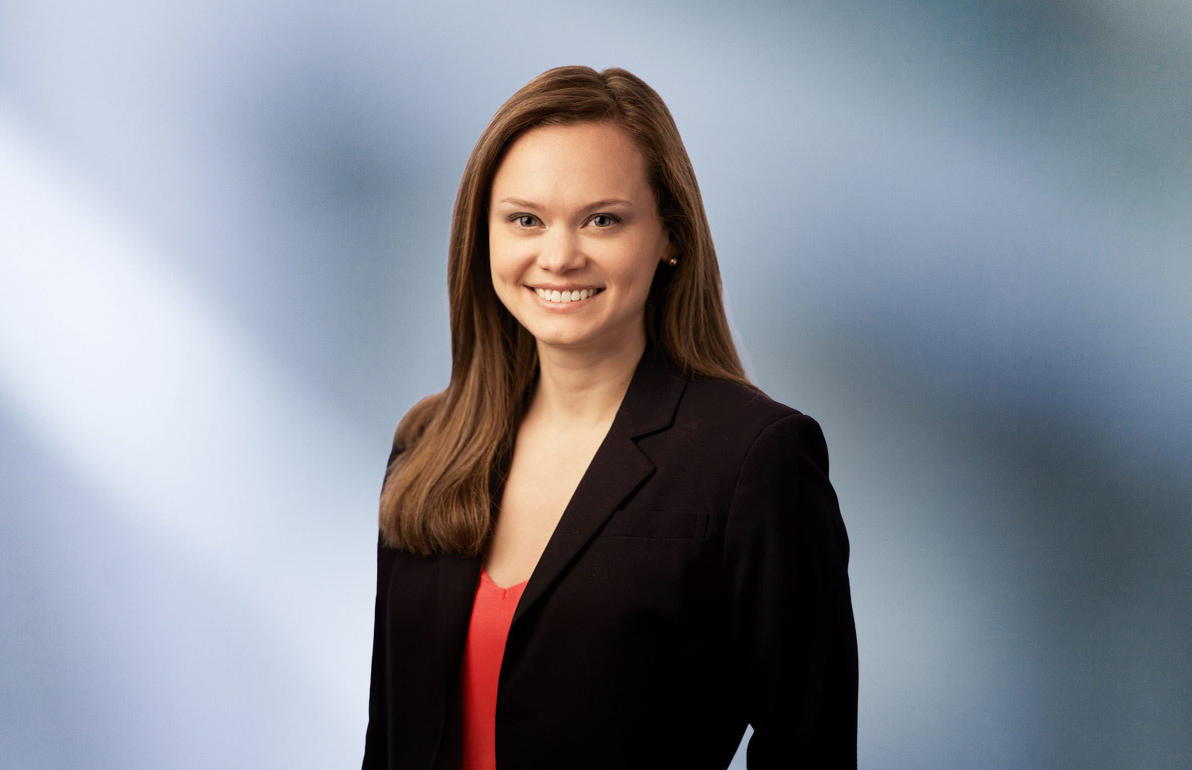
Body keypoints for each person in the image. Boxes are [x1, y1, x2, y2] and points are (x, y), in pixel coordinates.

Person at [361, 66, 858, 769]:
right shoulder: (430, 441)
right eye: (525, 219)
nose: (559, 256)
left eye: (603, 219)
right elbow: (386, 745)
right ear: (484, 235)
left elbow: (811, 751)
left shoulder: (755, 460)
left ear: (670, 236)